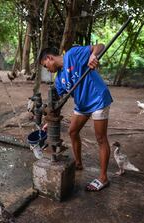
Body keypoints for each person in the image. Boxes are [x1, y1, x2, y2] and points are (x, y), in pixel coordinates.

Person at [39, 45, 113, 191]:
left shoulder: (72, 55)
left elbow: (100, 46)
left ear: (49, 58)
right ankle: (78, 163)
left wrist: (93, 56)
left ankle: (103, 178)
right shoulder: (59, 79)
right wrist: (49, 121)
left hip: (97, 98)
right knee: (73, 132)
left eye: (45, 65)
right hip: (82, 104)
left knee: (100, 138)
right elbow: (58, 103)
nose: (47, 69)